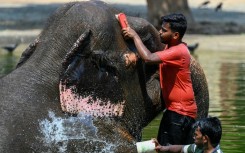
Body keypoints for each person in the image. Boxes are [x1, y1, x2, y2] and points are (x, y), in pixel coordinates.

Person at [122, 13, 197, 145]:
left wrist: (134, 36)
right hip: (177, 111)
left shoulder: (179, 51)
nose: (159, 32)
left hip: (180, 113)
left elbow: (149, 58)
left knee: (166, 149)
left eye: (164, 30)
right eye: (160, 28)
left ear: (176, 35)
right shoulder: (171, 46)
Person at [152, 117, 223, 153]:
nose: (193, 137)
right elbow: (181, 149)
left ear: (205, 139)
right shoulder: (199, 148)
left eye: (196, 135)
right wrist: (162, 148)